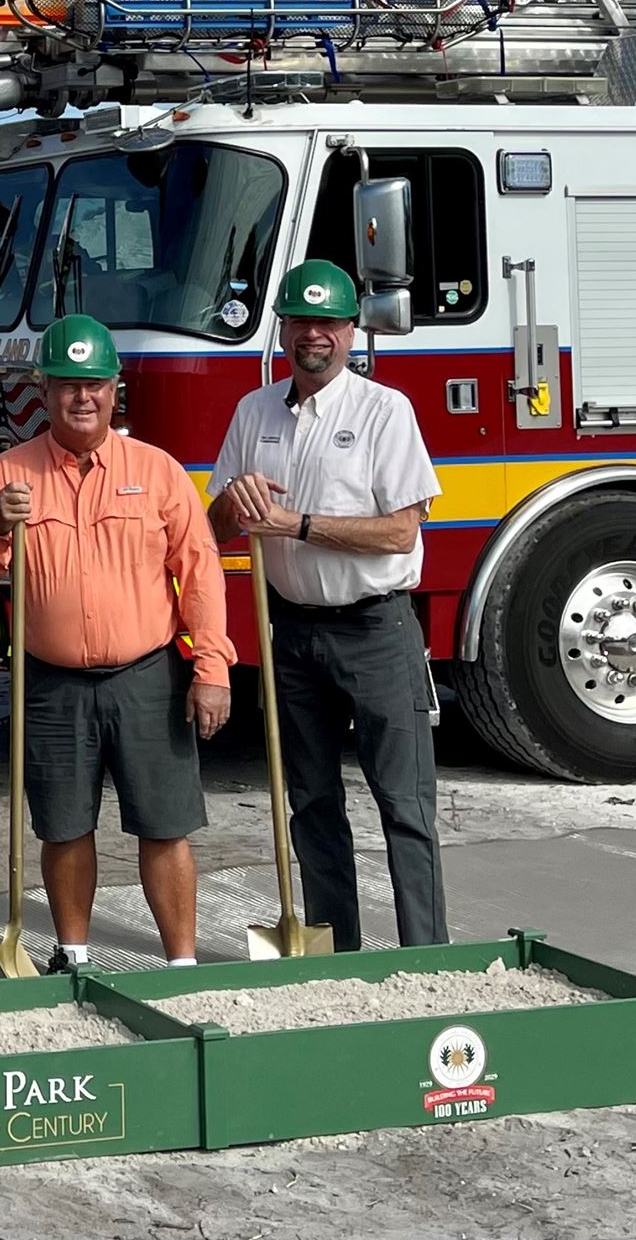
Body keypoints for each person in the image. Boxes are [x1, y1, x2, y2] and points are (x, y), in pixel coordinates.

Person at [0, 313, 231, 971]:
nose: (83, 397)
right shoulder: (5, 476)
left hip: (147, 678)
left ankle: (182, 965)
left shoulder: (157, 472)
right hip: (51, 682)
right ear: (44, 391)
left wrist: (212, 669)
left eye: (95, 384)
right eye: (68, 384)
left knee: (165, 824)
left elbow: (200, 573)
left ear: (114, 388)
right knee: (64, 825)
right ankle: (72, 955)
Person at [209, 259, 446, 950]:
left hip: (376, 629)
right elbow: (216, 527)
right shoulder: (253, 411)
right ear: (282, 329)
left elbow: (400, 531)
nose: (314, 334)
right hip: (291, 632)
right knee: (310, 801)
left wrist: (296, 524)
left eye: (329, 323)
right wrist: (237, 500)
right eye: (301, 321)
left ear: (350, 330)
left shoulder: (383, 410)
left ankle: (427, 955)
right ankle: (337, 952)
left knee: (404, 803)